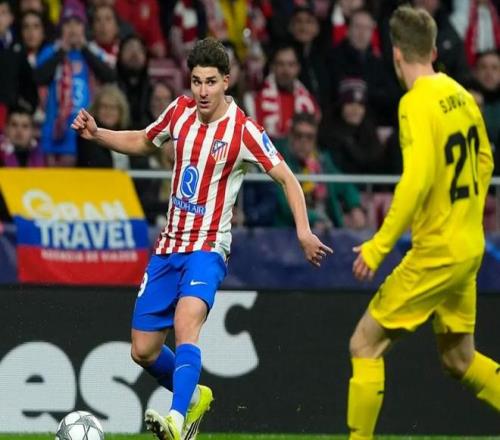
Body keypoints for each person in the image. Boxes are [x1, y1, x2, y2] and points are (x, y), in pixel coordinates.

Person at [71, 37, 332, 440]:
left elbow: (286, 177)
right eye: (196, 81)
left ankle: (177, 421)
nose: (203, 91)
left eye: (211, 82)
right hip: (168, 246)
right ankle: (193, 396)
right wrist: (98, 133)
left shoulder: (243, 130)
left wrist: (303, 230)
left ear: (226, 81)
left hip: (208, 248)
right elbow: (143, 139)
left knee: (186, 321)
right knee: (143, 350)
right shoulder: (179, 111)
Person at [346, 6, 499, 440]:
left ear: (396, 54)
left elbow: (415, 181)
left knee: (364, 345)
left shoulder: (414, 103)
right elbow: (485, 160)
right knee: (459, 360)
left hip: (437, 251)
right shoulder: (461, 94)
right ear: (432, 50)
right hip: (469, 247)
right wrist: (463, 213)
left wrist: (378, 246)